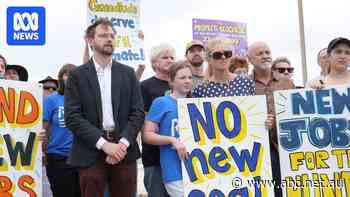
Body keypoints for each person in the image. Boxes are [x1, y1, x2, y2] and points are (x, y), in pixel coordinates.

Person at [64, 17, 144, 197]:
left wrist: (122, 144)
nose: (109, 39)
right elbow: (72, 117)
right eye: (103, 35)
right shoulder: (77, 76)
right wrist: (104, 145)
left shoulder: (128, 73)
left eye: (112, 35)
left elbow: (138, 112)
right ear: (90, 41)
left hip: (124, 150)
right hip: (90, 150)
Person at [247, 41, 294, 197]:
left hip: (285, 145)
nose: (265, 56)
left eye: (267, 52)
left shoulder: (286, 82)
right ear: (249, 59)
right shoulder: (244, 84)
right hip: (258, 148)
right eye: (260, 53)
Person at [143, 60, 191, 197]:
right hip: (172, 169)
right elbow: (147, 135)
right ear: (171, 81)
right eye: (182, 78)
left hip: (196, 168)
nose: (187, 81)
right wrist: (172, 140)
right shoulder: (161, 103)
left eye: (189, 77)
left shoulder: (195, 103)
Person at [141, 43, 175, 197]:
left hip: (177, 155)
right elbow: (143, 121)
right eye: (165, 57)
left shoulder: (181, 85)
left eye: (172, 57)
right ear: (154, 62)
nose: (170, 60)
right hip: (154, 157)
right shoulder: (144, 87)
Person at [44, 63, 81, 197]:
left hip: (81, 158)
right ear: (61, 78)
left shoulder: (84, 100)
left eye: (73, 74)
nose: (70, 77)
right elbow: (44, 129)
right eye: (66, 74)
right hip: (58, 157)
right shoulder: (52, 100)